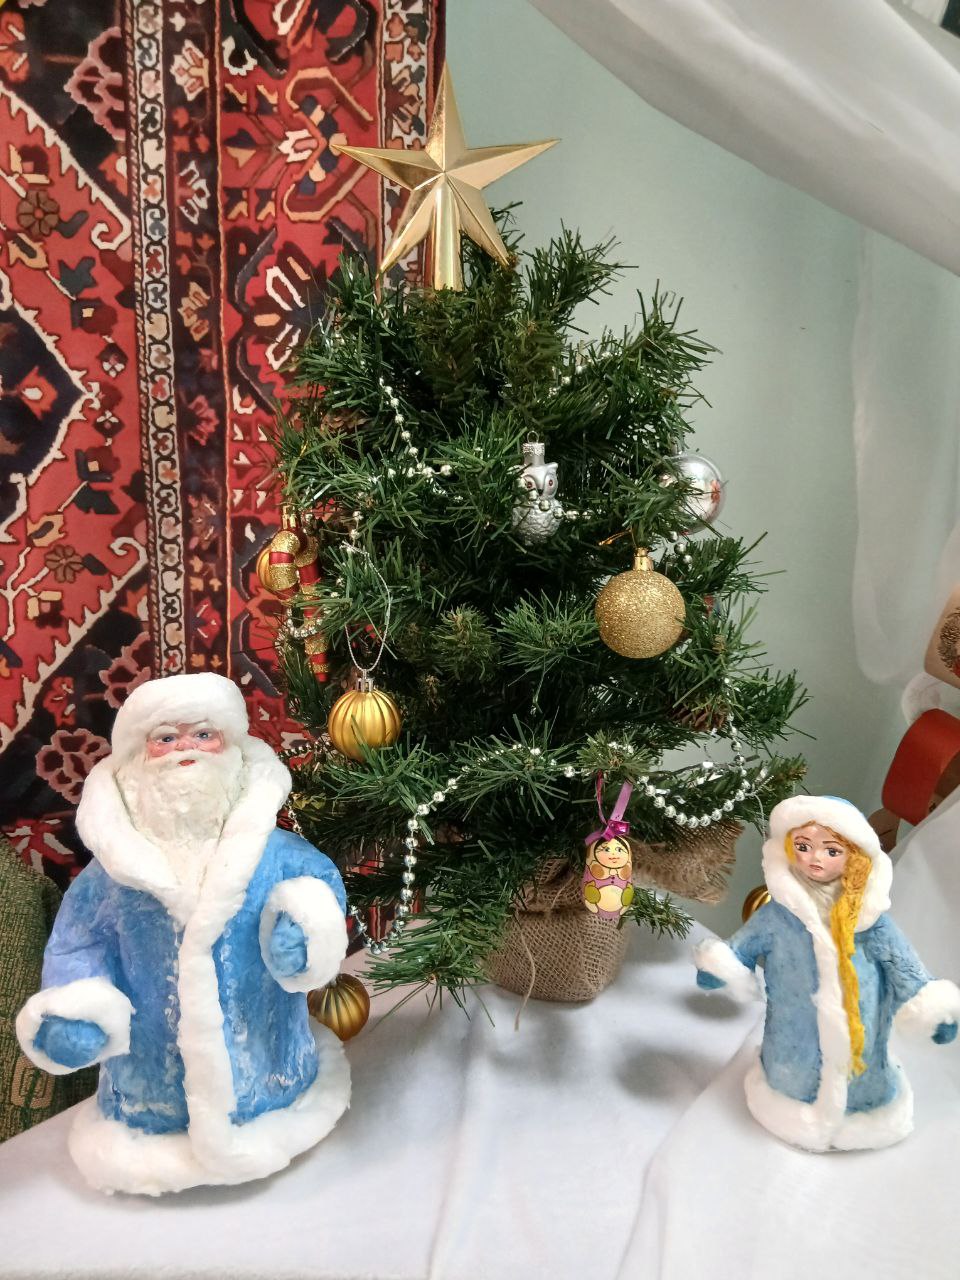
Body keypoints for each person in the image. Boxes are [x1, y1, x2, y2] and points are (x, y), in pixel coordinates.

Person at [16, 673, 350, 1195]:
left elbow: (320, 886)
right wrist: (78, 1008)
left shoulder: (275, 853)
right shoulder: (110, 876)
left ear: (230, 748)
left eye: (203, 735)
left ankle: (265, 1105)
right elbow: (80, 941)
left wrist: (305, 927)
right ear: (137, 759)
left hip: (273, 1083)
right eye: (166, 738)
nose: (185, 749)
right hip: (146, 1097)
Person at [694, 794, 960, 1152]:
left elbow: (903, 965)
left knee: (859, 1073)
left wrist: (931, 1009)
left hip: (860, 1032)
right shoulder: (779, 916)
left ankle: (862, 1111)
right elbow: (743, 946)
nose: (814, 858)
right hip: (792, 1029)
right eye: (803, 846)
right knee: (792, 1068)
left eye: (831, 850)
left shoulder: (869, 922)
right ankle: (789, 1101)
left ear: (855, 856)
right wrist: (723, 966)